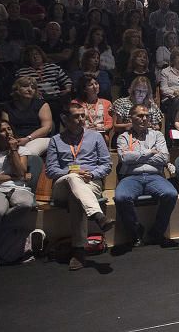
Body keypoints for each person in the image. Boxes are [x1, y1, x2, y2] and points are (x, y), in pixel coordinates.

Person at [44, 103, 115, 271]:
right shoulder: (55, 140)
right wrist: (70, 171)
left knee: (75, 198)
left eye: (83, 115)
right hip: (63, 184)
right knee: (73, 178)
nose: (82, 119)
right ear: (65, 119)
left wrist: (92, 174)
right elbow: (51, 170)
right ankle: (98, 216)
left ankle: (79, 251)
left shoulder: (96, 137)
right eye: (77, 116)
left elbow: (107, 164)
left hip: (90, 182)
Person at [115, 104, 177, 249]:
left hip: (155, 176)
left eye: (147, 116)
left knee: (171, 194)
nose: (144, 119)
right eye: (140, 116)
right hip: (131, 177)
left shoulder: (157, 135)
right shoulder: (123, 137)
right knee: (121, 198)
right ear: (131, 118)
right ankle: (136, 231)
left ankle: (157, 232)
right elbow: (124, 158)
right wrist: (150, 152)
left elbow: (164, 158)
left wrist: (136, 156)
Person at [0, 120, 36, 269]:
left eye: (9, 129)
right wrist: (15, 176)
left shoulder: (21, 150)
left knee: (25, 204)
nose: (8, 132)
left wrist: (13, 151)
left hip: (19, 189)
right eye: (3, 130)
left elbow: (20, 172)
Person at [1, 76, 54, 156]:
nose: (30, 90)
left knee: (28, 153)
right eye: (25, 86)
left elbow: (47, 128)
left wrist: (28, 138)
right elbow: (5, 127)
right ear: (17, 89)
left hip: (37, 138)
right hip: (15, 138)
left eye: (33, 88)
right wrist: (13, 139)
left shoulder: (42, 105)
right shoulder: (7, 106)